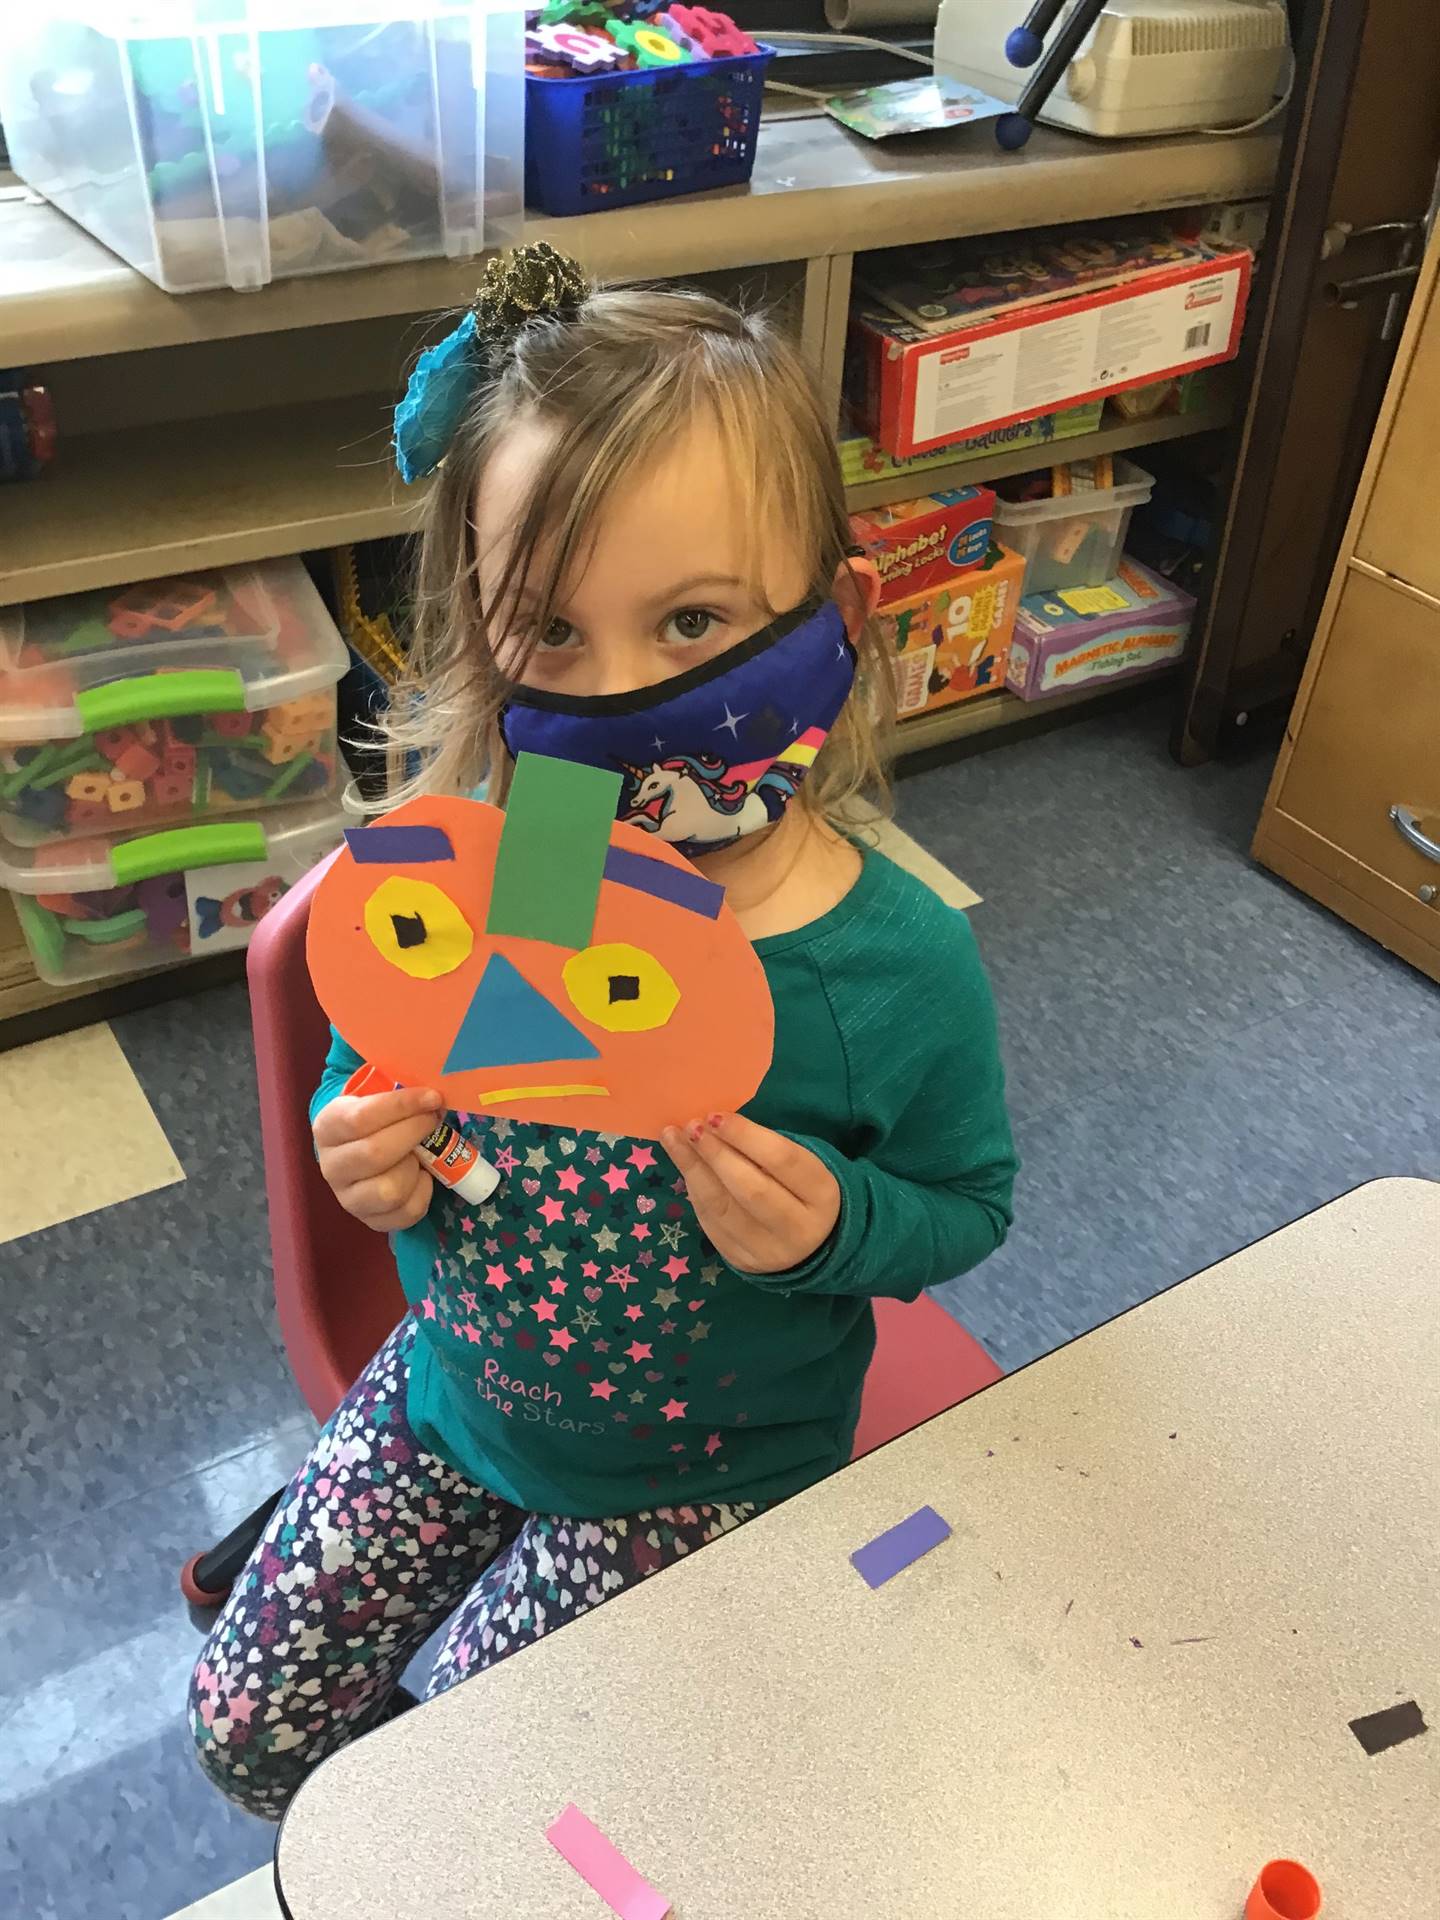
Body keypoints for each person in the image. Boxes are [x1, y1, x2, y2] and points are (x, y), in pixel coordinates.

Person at [191, 244, 1016, 1818]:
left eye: (696, 620)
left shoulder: (890, 967)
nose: (624, 696)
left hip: (703, 1483)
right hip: (455, 1390)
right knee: (247, 1737)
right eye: (551, 636)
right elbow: (392, 1059)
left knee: (459, 1798)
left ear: (835, 615)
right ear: (485, 634)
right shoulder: (535, 857)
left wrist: (838, 1222)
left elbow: (968, 1206)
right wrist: (366, 1136)